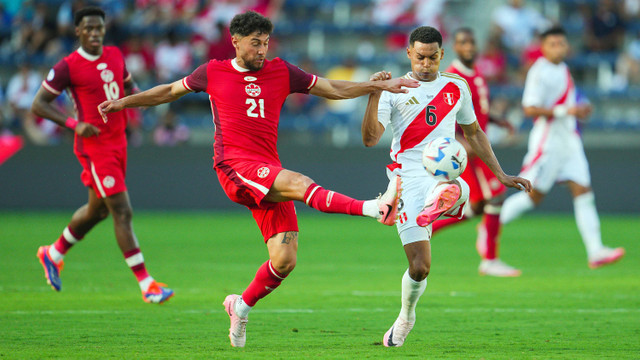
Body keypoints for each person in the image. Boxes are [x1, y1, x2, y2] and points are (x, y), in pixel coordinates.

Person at [98, 11, 419, 347]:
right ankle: (374, 206)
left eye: (265, 43)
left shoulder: (281, 71)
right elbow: (167, 92)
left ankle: (240, 306)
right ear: (235, 41)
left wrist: (375, 85)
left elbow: (332, 88)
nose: (262, 50)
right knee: (299, 182)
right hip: (234, 166)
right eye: (255, 44)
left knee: (285, 259)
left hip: (267, 170)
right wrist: (124, 102)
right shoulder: (211, 72)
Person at [361, 26, 531, 347]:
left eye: (432, 58)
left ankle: (440, 201)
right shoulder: (392, 90)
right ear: (409, 54)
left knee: (457, 188)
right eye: (420, 57)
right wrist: (373, 91)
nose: (426, 64)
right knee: (420, 267)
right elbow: (370, 139)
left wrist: (501, 174)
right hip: (406, 179)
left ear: (442, 56)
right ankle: (406, 316)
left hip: (442, 173)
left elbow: (475, 133)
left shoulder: (456, 86)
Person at [31, 7, 173, 304]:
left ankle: (53, 253)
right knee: (122, 210)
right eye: (89, 28)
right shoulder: (68, 66)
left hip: (118, 141)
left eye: (99, 28)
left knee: (98, 210)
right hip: (95, 147)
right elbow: (39, 104)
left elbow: (128, 86)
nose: (95, 33)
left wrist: (141, 101)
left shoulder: (115, 55)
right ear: (78, 31)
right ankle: (147, 284)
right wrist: (74, 124)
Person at [500, 26, 625, 269]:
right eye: (553, 44)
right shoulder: (539, 72)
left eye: (561, 43)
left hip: (569, 141)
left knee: (583, 191)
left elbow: (569, 101)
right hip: (548, 143)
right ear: (543, 47)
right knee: (532, 196)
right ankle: (491, 224)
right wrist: (566, 111)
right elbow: (529, 108)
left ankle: (596, 251)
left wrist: (580, 108)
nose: (558, 47)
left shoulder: (564, 69)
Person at [429, 27, 521, 277]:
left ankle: (430, 224)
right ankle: (490, 260)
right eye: (463, 43)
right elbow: (444, 115)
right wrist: (460, 140)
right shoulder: (452, 77)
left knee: (479, 206)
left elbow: (474, 112)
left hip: (480, 145)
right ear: (455, 48)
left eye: (471, 42)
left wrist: (497, 120)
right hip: (470, 150)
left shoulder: (477, 74)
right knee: (497, 195)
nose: (468, 46)